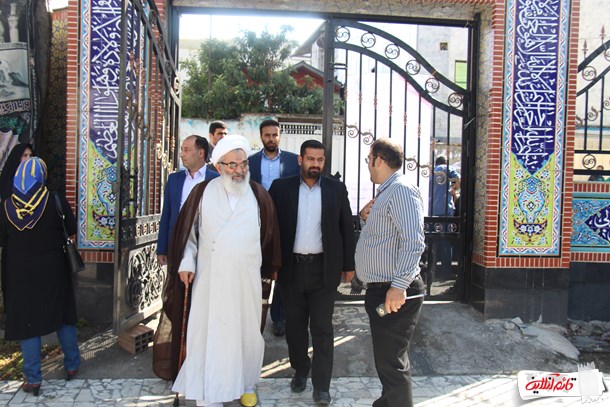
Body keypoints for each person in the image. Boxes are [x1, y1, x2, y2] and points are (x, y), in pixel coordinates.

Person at [156, 135, 281, 407]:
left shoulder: (258, 194)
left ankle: (245, 383)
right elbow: (189, 236)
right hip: (211, 280)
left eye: (243, 164)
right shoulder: (203, 192)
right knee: (211, 336)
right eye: (232, 164)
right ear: (219, 166)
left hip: (245, 280)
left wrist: (266, 267)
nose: (239, 170)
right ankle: (209, 392)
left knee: (246, 335)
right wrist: (187, 263)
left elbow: (269, 235)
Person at [269, 139, 355, 406]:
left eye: (320, 160)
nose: (315, 164)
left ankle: (322, 386)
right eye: (311, 159)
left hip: (323, 271)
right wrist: (271, 264)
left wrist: (348, 265)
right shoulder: (280, 188)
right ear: (300, 160)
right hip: (291, 270)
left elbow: (346, 228)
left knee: (322, 329)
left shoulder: (336, 189)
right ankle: (300, 369)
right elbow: (270, 229)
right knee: (295, 328)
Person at [0, 157, 81, 396]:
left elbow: (3, 240)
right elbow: (71, 228)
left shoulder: (6, 207)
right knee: (63, 315)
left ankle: (33, 379)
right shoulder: (54, 199)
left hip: (19, 272)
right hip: (54, 269)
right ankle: (72, 365)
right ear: (41, 176)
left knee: (28, 323)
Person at [356, 138, 426, 407]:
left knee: (392, 364)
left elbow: (413, 242)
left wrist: (398, 287)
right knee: (387, 360)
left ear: (379, 160)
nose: (368, 165)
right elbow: (384, 238)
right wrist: (365, 219)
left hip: (393, 292)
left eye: (368, 160)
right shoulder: (388, 191)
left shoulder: (401, 190)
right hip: (383, 290)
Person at [249, 119, 299, 337]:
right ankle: (252, 316)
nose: (271, 139)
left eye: (274, 135)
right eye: (267, 135)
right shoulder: (250, 162)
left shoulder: (293, 161)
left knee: (282, 268)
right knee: (254, 267)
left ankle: (278, 317)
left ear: (280, 136)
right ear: (261, 136)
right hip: (255, 222)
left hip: (284, 220)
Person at [157, 135, 218, 266]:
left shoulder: (216, 180)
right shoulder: (174, 179)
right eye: (181, 149)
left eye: (186, 150)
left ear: (200, 153)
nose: (181, 154)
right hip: (177, 242)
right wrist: (162, 249)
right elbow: (166, 214)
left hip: (205, 245)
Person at [430, 155, 460, 278]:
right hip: (444, 210)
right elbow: (457, 179)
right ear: (445, 162)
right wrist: (453, 188)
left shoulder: (430, 171)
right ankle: (446, 272)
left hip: (431, 210)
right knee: (446, 241)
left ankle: (431, 272)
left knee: (431, 241)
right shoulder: (446, 168)